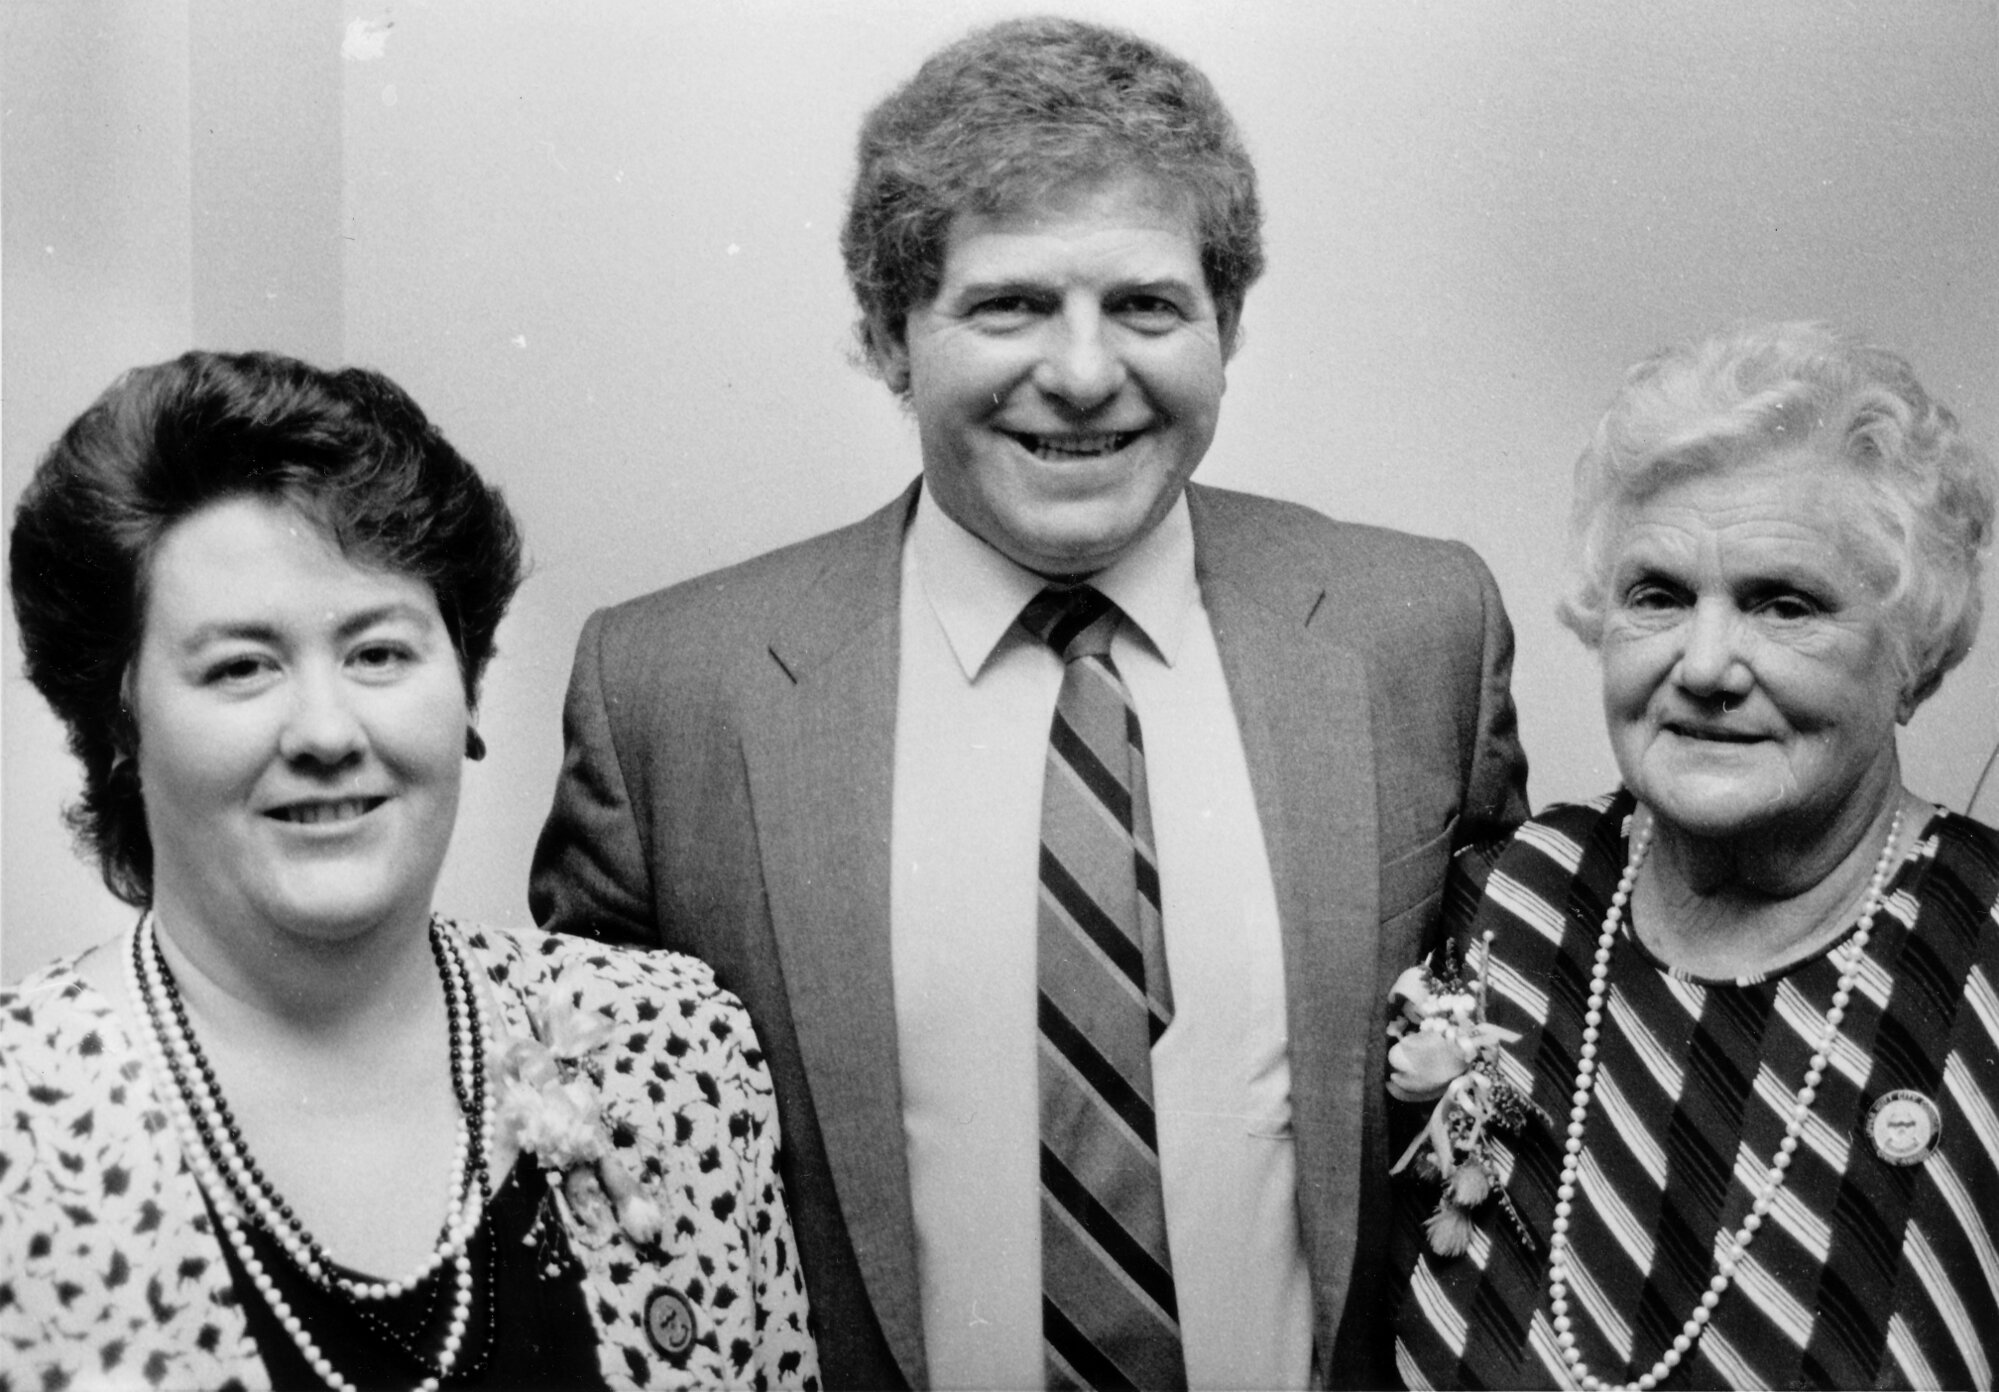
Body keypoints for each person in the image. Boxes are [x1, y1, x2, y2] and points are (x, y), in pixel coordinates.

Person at [532, 17, 1528, 1390]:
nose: (1078, 371)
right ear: (889, 338)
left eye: (1144, 305)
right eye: (1006, 305)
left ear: (1224, 327)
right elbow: (609, 1201)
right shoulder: (668, 697)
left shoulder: (1416, 634)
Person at [1, 351, 819, 1391]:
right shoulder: (22, 1120)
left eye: (380, 652)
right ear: (119, 720)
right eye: (241, 666)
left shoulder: (672, 1053)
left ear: (465, 687)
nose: (328, 731)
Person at [1386, 321, 1999, 1390]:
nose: (1706, 665)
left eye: (1784, 604)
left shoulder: (1983, 953)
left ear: (1910, 654)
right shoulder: (1510, 900)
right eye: (1659, 596)